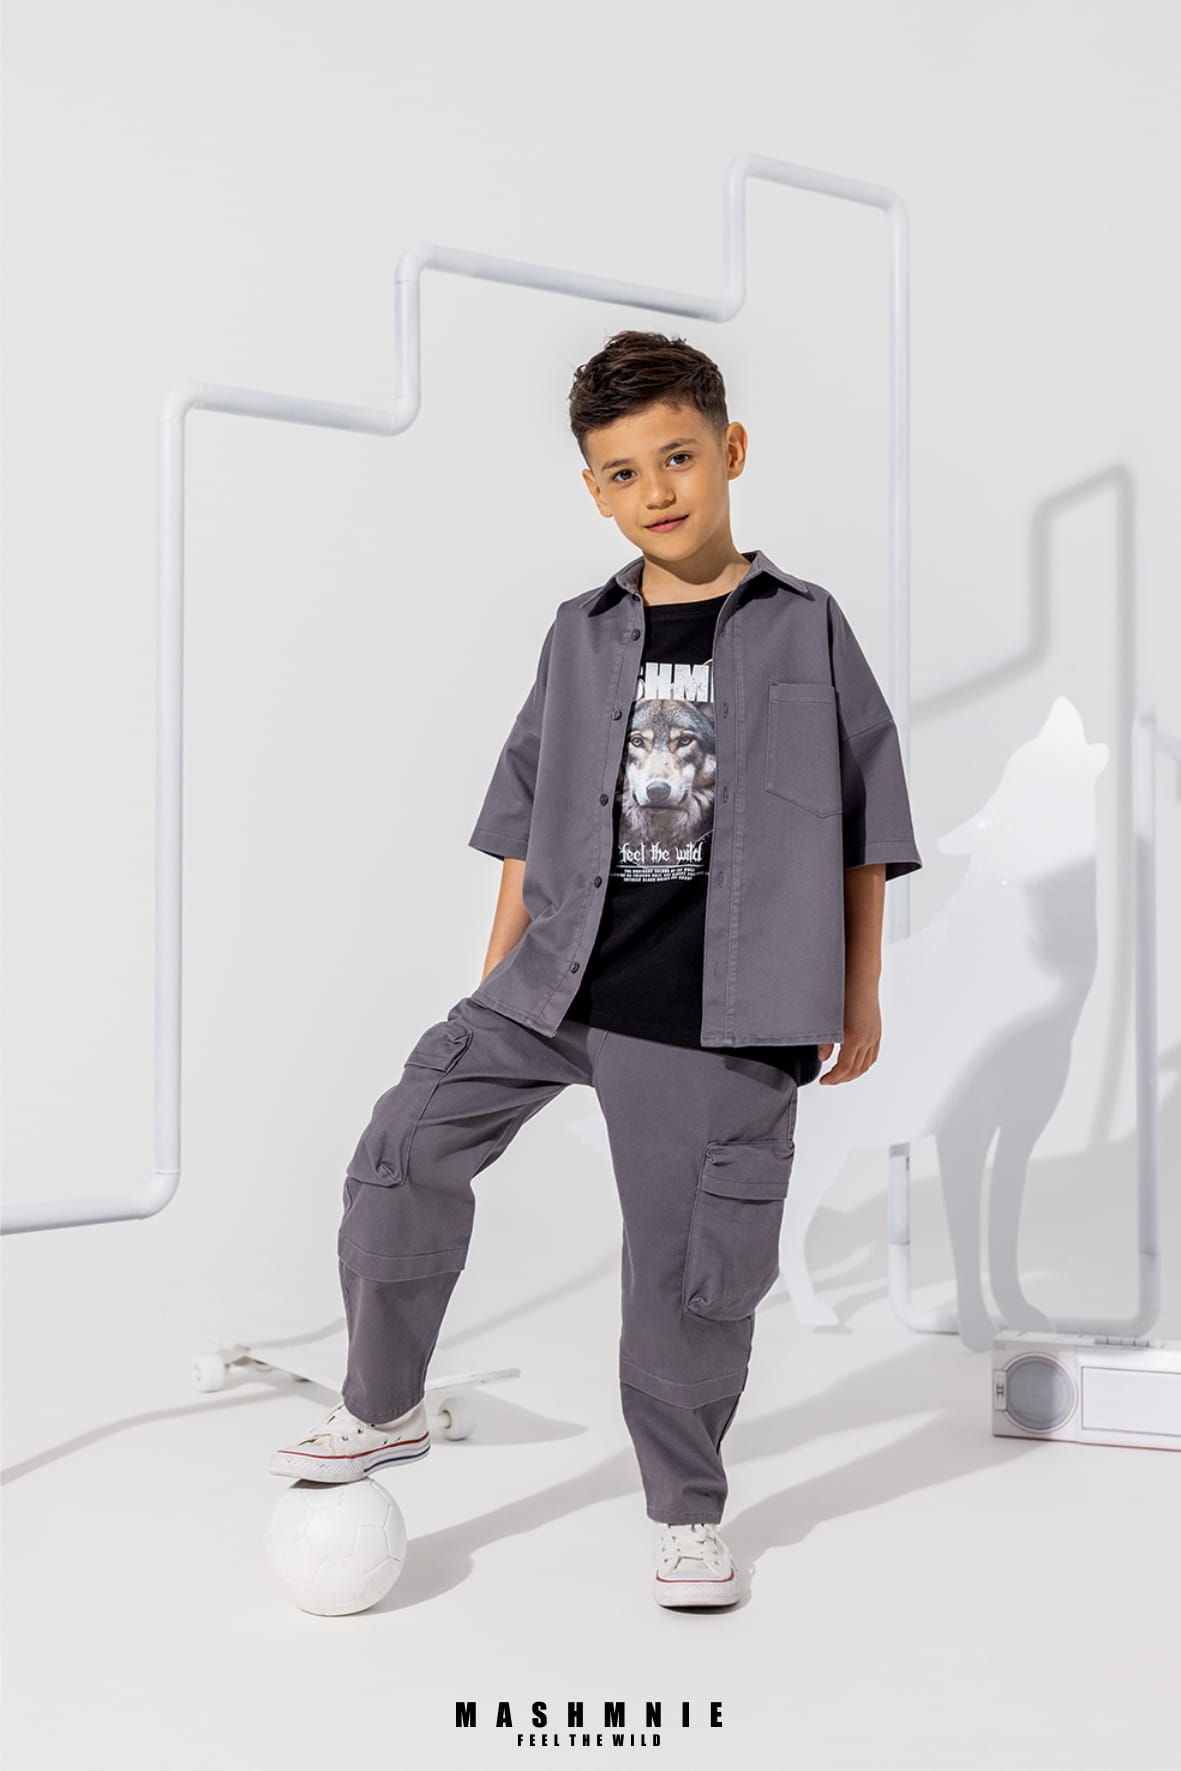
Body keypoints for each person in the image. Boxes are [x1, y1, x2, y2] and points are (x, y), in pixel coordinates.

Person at [269, 330, 923, 1609]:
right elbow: (521, 811)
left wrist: (857, 992)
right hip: (554, 980)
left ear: (729, 452)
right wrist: (493, 984)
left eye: (678, 457)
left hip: (715, 1011)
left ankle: (685, 1512)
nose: (656, 490)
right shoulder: (578, 634)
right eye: (623, 472)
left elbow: (865, 817)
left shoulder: (805, 626)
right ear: (593, 490)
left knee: (683, 1276)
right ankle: (384, 1405)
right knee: (401, 1146)